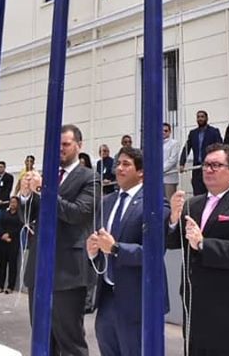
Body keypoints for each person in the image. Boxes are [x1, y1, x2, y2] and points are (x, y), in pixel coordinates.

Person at [167, 143, 229, 355]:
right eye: (205, 165)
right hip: (195, 308)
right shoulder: (192, 204)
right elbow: (173, 243)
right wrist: (173, 220)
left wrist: (204, 244)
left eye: (215, 165)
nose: (208, 170)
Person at [22, 124, 96, 355]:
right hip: (40, 268)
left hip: (68, 273)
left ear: (79, 146)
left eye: (65, 144)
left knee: (70, 341)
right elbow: (29, 215)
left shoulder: (89, 178)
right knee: (42, 338)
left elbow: (77, 214)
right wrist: (25, 195)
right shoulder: (48, 175)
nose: (60, 149)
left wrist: (43, 189)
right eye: (57, 145)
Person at [87, 146, 168, 356]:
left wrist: (115, 248)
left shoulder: (154, 202)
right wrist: (93, 252)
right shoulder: (107, 202)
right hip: (107, 297)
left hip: (138, 300)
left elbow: (153, 253)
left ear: (141, 171)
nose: (119, 169)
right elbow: (101, 246)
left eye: (126, 164)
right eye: (118, 164)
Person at [181, 110, 223, 196]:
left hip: (210, 166)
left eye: (202, 116)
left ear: (207, 118)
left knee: (211, 191)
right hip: (197, 167)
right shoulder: (193, 133)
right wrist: (182, 163)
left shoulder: (214, 131)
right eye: (198, 117)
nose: (200, 119)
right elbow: (187, 148)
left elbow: (220, 147)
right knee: (198, 192)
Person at [0, 196, 23, 294]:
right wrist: (3, 234)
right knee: (2, 264)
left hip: (13, 241)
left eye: (14, 202)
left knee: (12, 265)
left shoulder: (20, 215)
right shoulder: (5, 214)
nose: (12, 204)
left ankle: (10, 287)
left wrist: (9, 235)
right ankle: (0, 286)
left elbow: (19, 227)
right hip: (3, 241)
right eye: (11, 202)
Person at [162, 122, 181, 199]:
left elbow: (172, 160)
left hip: (169, 177)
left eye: (166, 131)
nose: (163, 132)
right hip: (159, 178)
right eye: (161, 130)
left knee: (169, 201)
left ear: (170, 132)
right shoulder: (157, 144)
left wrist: (160, 170)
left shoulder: (174, 143)